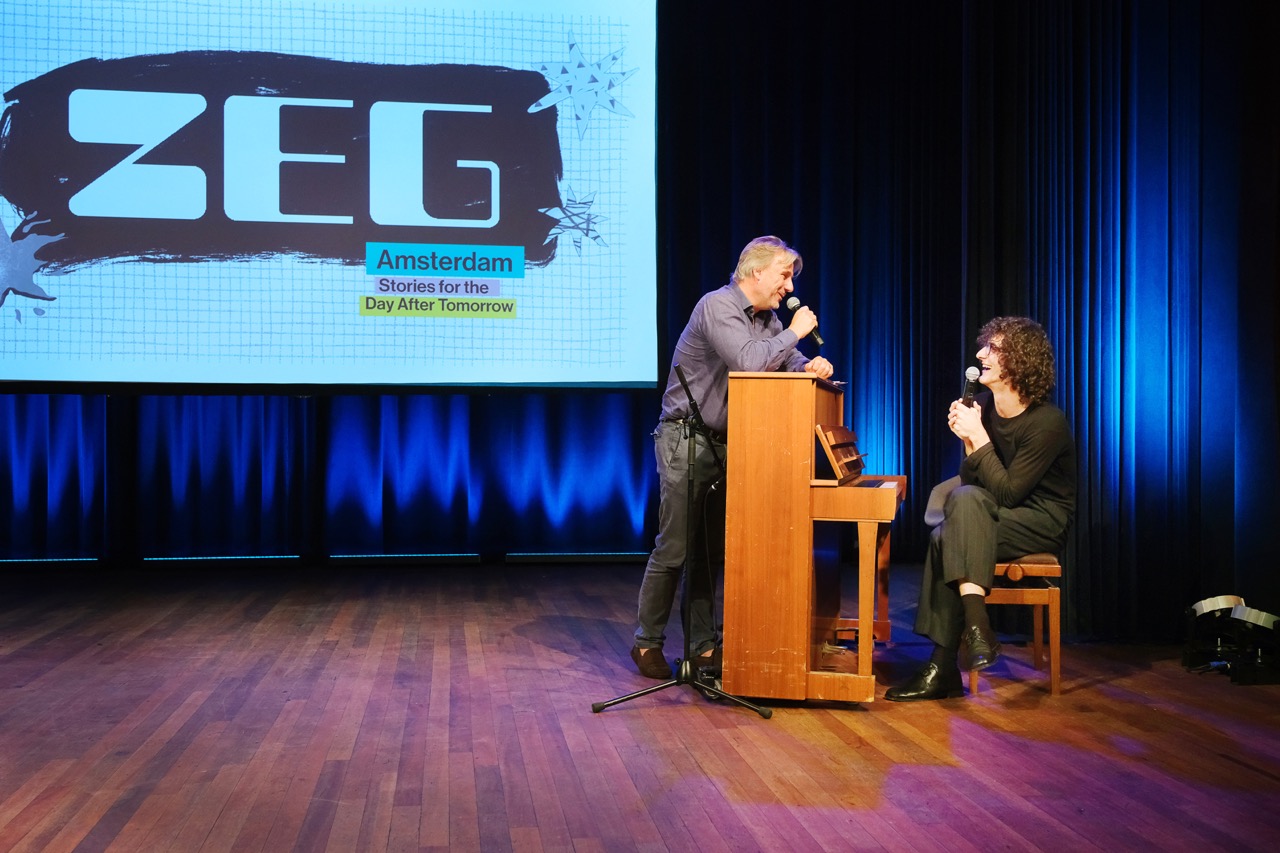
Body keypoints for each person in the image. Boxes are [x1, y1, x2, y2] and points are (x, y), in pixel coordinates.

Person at [631, 235, 835, 678]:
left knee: (708, 551)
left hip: (728, 443)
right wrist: (795, 331)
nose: (789, 287)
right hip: (685, 438)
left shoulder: (768, 320)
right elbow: (749, 360)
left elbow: (785, 360)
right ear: (756, 272)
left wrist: (809, 365)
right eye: (784, 276)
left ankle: (703, 645)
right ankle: (647, 642)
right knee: (676, 547)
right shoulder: (717, 305)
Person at [885, 316, 1076, 701]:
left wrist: (979, 436)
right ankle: (976, 630)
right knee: (962, 504)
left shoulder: (1047, 422)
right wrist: (970, 439)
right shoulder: (984, 408)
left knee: (945, 535)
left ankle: (943, 665)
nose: (980, 355)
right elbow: (973, 482)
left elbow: (1009, 494)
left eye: (993, 348)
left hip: (1040, 519)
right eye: (984, 346)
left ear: (1019, 360)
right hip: (990, 512)